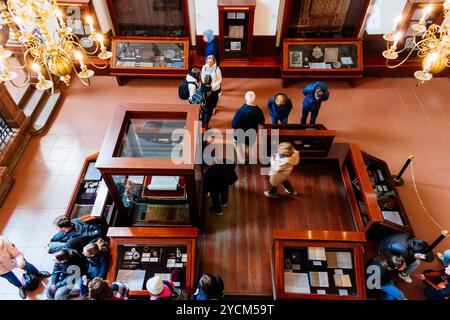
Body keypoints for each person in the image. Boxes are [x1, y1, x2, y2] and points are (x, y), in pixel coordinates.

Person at [231, 91, 265, 163]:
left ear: (245, 99)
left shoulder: (240, 111)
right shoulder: (259, 111)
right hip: (251, 135)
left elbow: (233, 125)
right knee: (248, 149)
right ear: (255, 99)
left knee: (240, 151)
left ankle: (241, 161)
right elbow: (262, 122)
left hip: (239, 135)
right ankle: (247, 159)